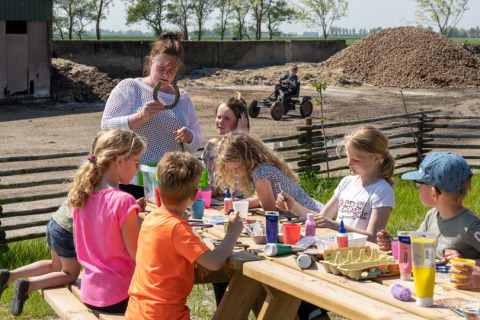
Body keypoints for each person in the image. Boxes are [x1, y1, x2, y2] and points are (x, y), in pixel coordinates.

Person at [125, 152, 243, 320]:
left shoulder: (151, 218)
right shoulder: (177, 228)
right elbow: (215, 262)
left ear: (159, 190)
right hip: (164, 315)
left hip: (137, 311)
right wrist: (232, 232)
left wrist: (198, 256)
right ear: (194, 196)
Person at [101, 31, 202, 198]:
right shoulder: (130, 88)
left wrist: (189, 136)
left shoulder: (183, 98)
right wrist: (141, 116)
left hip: (170, 181)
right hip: (132, 181)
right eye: (161, 68)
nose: (165, 74)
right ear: (150, 61)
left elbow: (197, 139)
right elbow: (106, 127)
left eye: (171, 70)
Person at [69, 128, 146, 313]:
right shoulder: (123, 200)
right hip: (120, 294)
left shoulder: (81, 196)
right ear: (119, 160)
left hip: (90, 293)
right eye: (136, 162)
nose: (138, 169)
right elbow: (138, 255)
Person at [277, 126, 395, 242]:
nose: (349, 163)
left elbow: (373, 237)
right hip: (337, 248)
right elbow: (322, 218)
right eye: (348, 157)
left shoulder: (382, 190)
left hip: (361, 254)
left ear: (376, 158)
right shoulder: (347, 182)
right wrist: (293, 206)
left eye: (356, 160)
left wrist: (334, 225)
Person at [377, 151, 480, 263]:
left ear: (434, 193)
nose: (418, 188)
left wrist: (465, 261)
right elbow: (417, 242)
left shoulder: (470, 226)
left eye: (419, 183)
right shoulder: (432, 216)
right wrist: (393, 242)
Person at [0, 200, 81, 316]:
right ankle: (28, 286)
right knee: (70, 274)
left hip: (56, 223)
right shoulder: (105, 189)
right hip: (68, 231)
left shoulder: (82, 184)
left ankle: (9, 276)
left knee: (55, 266)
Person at [216, 132, 324, 215]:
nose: (235, 173)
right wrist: (239, 204)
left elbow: (271, 211)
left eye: (236, 168)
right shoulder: (262, 167)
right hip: (318, 211)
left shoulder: (260, 174)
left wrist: (241, 205)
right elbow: (262, 199)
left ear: (246, 158)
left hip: (314, 217)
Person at [202, 92, 249, 196]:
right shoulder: (211, 145)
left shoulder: (247, 147)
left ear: (240, 120)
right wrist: (208, 188)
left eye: (227, 118)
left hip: (241, 202)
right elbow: (205, 175)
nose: (220, 122)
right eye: (218, 117)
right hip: (216, 202)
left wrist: (241, 133)